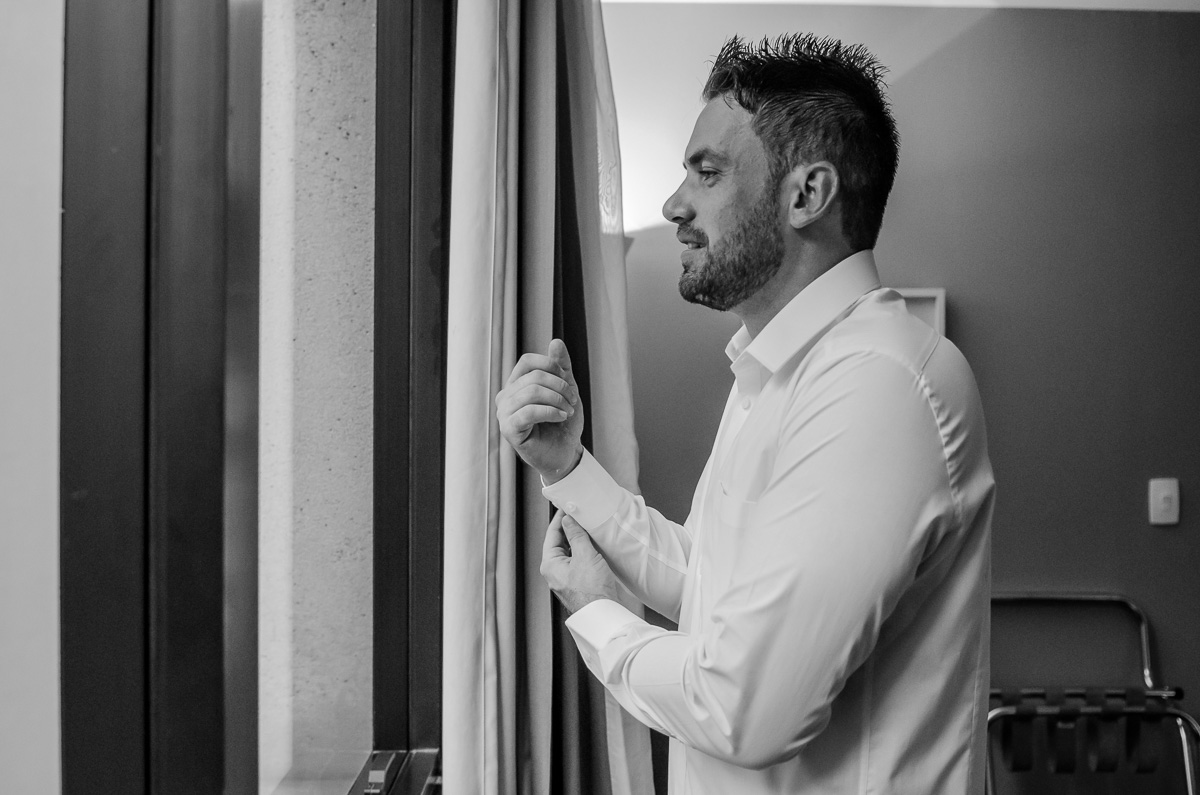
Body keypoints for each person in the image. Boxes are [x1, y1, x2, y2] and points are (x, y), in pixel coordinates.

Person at [495, 33, 994, 794]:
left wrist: (599, 614)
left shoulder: (879, 383)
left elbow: (746, 709)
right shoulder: (780, 372)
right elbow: (710, 584)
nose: (673, 204)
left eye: (707, 170)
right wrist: (567, 467)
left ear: (806, 194)